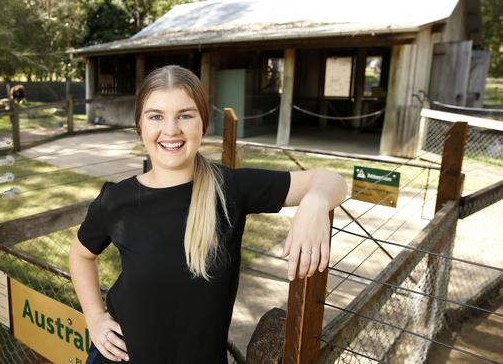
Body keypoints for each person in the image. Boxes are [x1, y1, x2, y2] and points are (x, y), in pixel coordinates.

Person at [68, 65, 347, 364]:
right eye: (156, 116)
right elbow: (80, 255)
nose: (171, 129)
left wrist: (316, 202)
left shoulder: (230, 189)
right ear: (140, 126)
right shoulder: (116, 200)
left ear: (203, 122)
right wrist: (95, 317)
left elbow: (334, 180)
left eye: (185, 115)